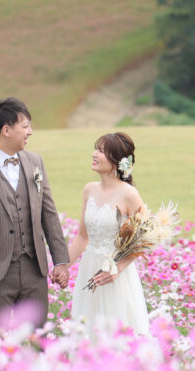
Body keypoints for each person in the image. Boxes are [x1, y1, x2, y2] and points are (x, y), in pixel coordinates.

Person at [0, 97, 70, 338]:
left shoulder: (35, 161)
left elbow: (48, 211)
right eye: (25, 126)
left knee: (39, 339)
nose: (30, 131)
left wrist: (60, 260)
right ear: (6, 130)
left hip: (33, 269)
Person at [68, 132, 150, 336]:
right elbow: (82, 238)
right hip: (89, 270)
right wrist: (61, 266)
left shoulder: (129, 194)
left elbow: (147, 237)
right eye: (96, 148)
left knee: (115, 334)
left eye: (102, 151)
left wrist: (118, 267)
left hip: (115, 275)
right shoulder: (89, 189)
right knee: (88, 332)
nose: (94, 154)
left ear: (117, 160)